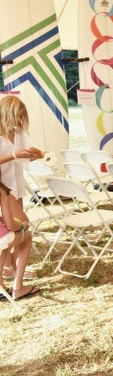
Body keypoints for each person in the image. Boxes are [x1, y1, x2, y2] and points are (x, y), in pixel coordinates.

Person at [0, 95, 43, 300]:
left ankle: (12, 271)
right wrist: (14, 155)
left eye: (22, 116)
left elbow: (24, 155)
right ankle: (17, 284)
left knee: (12, 234)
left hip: (16, 187)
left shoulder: (17, 134)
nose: (19, 120)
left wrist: (34, 154)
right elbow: (11, 157)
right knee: (23, 231)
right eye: (18, 115)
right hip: (3, 191)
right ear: (7, 113)